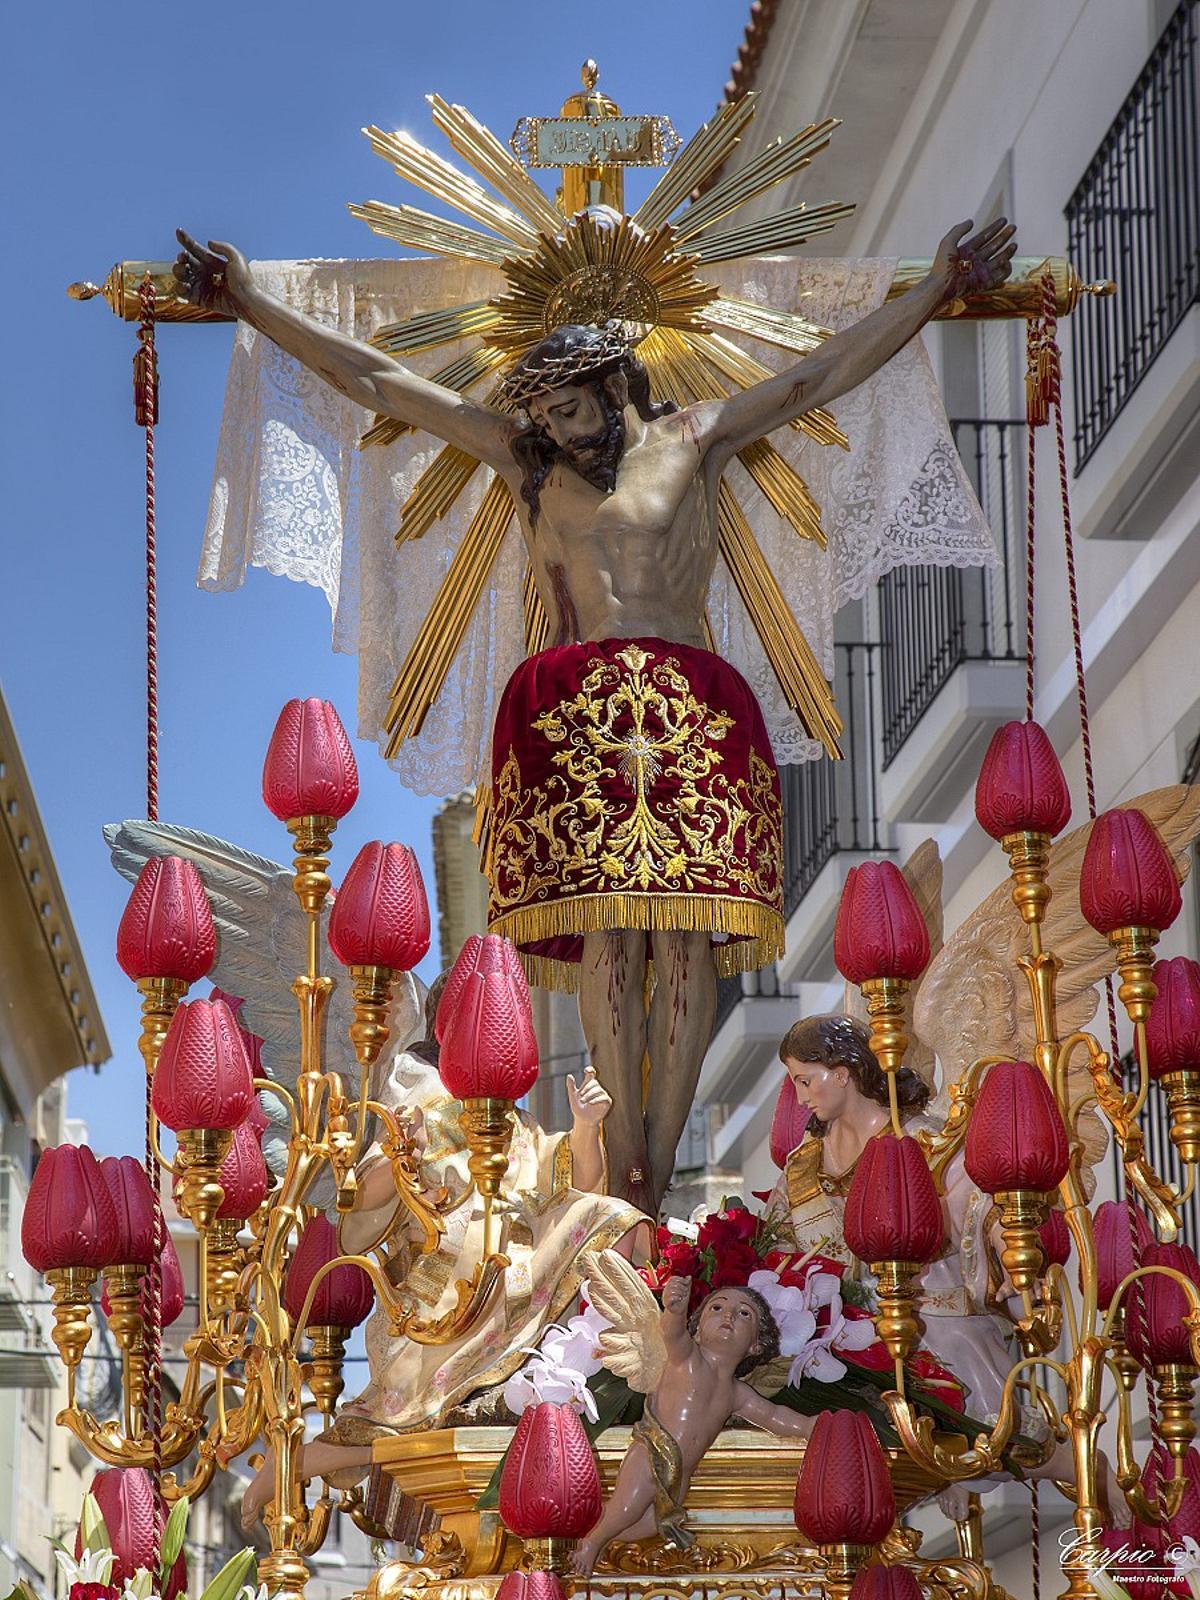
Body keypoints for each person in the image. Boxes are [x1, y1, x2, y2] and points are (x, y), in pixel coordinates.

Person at [173, 218, 1018, 1214]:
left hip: (693, 703)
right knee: (613, 940)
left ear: (616, 386)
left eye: (578, 408)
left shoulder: (694, 438)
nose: (569, 431)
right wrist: (254, 306)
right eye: (553, 415)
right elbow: (381, 384)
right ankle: (624, 1159)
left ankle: (658, 1154)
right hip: (574, 713)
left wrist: (929, 292)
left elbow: (813, 379)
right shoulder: (527, 465)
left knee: (690, 940)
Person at [239, 979, 649, 1529]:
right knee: (417, 1425)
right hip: (441, 1298)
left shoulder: (513, 1119)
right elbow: (355, 1209)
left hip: (514, 1270)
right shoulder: (412, 1101)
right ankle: (304, 1459)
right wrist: (399, 1153)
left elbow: (572, 1189)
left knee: (616, 1220)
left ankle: (588, 1365)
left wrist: (584, 1126)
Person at [768, 1014, 1128, 1524]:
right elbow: (782, 1247)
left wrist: (1008, 1243)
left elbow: (980, 1207)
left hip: (933, 1311)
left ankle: (1084, 1469)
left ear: (844, 1071)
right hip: (840, 1330)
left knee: (986, 1428)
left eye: (806, 1079)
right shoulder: (804, 1165)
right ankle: (938, 1476)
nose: (801, 1096)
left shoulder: (929, 1142)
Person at [572, 1264, 811, 1576]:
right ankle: (592, 1544)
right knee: (627, 1507)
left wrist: (812, 1426)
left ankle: (590, 1536)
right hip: (654, 1451)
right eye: (717, 1307)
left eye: (744, 1315)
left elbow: (774, 1416)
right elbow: (670, 1332)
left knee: (652, 1524)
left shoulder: (738, 1393)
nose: (729, 1316)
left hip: (681, 1471)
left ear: (756, 1345)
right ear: (697, 1329)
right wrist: (674, 1308)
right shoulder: (686, 1359)